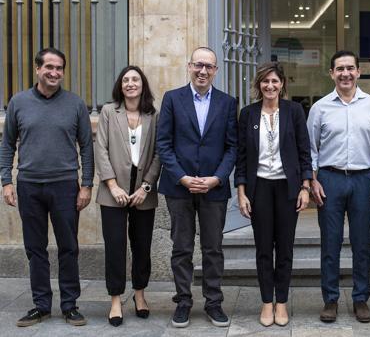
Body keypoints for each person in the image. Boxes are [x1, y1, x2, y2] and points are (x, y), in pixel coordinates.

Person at [0, 47, 93, 327]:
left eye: (59, 68)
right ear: (37, 69)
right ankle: (41, 305)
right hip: (29, 186)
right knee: (35, 248)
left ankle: (69, 305)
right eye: (49, 67)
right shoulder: (18, 102)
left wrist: (86, 185)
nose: (54, 73)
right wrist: (6, 181)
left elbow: (87, 148)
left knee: (69, 247)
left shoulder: (76, 104)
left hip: (65, 186)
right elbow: (7, 145)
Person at [156, 46, 237, 328]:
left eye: (209, 67)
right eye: (198, 65)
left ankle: (214, 302)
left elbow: (232, 147)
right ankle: (183, 302)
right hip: (179, 188)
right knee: (181, 247)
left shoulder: (228, 103)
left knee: (213, 248)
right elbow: (163, 144)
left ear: (216, 71)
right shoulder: (172, 99)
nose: (203, 71)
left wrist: (217, 178)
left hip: (214, 189)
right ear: (189, 66)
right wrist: (182, 177)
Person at [307, 50, 370, 323]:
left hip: (364, 179)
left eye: (350, 68)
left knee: (361, 243)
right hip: (329, 180)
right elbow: (310, 148)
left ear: (358, 72)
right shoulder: (320, 108)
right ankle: (330, 299)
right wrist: (313, 180)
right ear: (331, 73)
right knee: (330, 244)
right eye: (340, 69)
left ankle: (360, 298)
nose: (345, 73)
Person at [235, 62, 312, 327]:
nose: (270, 86)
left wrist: (305, 187)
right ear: (259, 85)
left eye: (275, 81)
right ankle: (266, 302)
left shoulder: (294, 111)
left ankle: (282, 303)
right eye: (265, 82)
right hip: (259, 188)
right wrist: (242, 192)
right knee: (264, 248)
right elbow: (241, 157)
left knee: (286, 248)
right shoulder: (247, 114)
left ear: (282, 85)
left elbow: (304, 151)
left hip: (287, 188)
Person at [94, 65, 161, 327]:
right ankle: (115, 300)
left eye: (135, 79)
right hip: (113, 193)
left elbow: (159, 153)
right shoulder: (110, 111)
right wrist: (112, 186)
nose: (130, 83)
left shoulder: (153, 115)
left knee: (142, 247)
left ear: (143, 84)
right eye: (126, 80)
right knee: (115, 247)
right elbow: (101, 150)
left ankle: (140, 295)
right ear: (120, 86)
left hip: (143, 193)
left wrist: (146, 187)